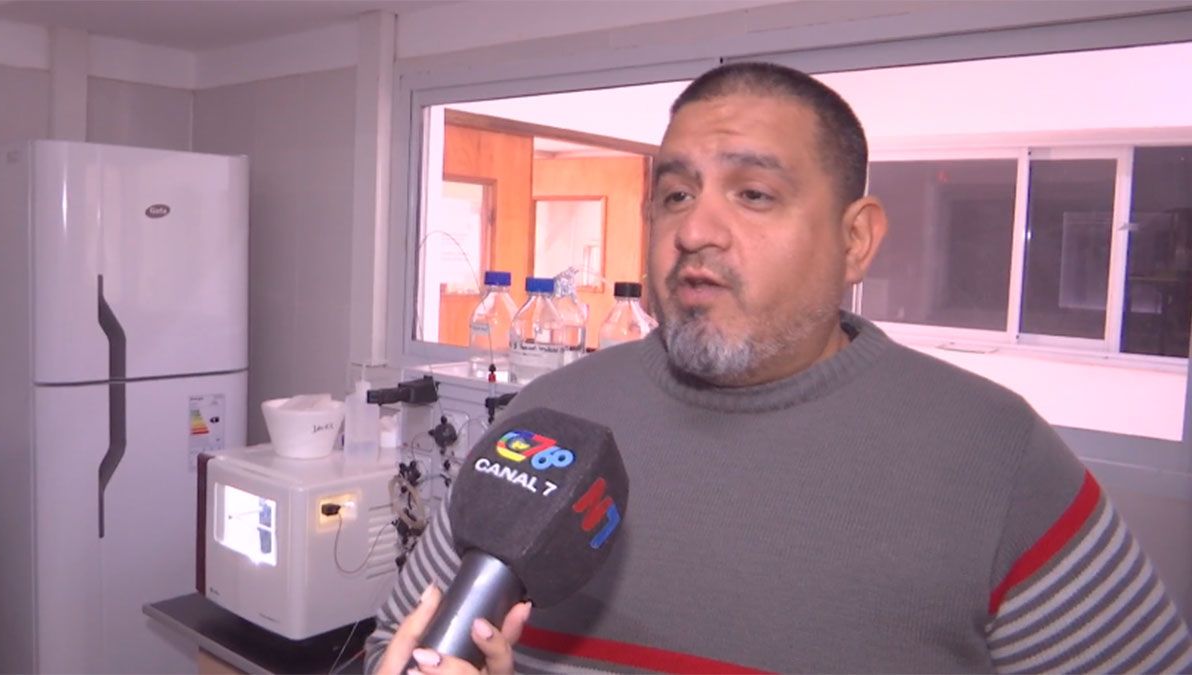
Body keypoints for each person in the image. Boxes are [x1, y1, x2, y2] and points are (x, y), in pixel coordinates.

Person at [366, 62, 1192, 673]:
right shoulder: (546, 421)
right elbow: (391, 643)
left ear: (856, 240)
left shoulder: (997, 456)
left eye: (754, 194)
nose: (696, 230)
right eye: (676, 195)